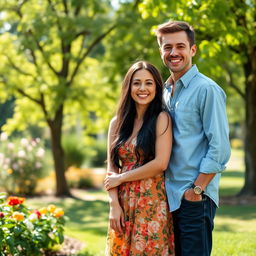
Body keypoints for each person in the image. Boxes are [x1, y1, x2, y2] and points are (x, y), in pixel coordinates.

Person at [155, 20, 231, 256]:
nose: (174, 53)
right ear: (161, 51)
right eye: (167, 47)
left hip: (194, 197)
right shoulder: (165, 92)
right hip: (167, 197)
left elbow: (219, 147)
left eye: (180, 46)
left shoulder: (206, 89)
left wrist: (196, 190)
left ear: (193, 50)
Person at [104, 61, 175, 255]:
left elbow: (160, 164)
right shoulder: (116, 123)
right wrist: (114, 205)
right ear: (129, 87)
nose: (142, 88)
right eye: (137, 83)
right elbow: (112, 168)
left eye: (149, 83)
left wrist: (121, 178)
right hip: (122, 202)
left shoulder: (161, 118)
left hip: (151, 200)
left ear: (156, 87)